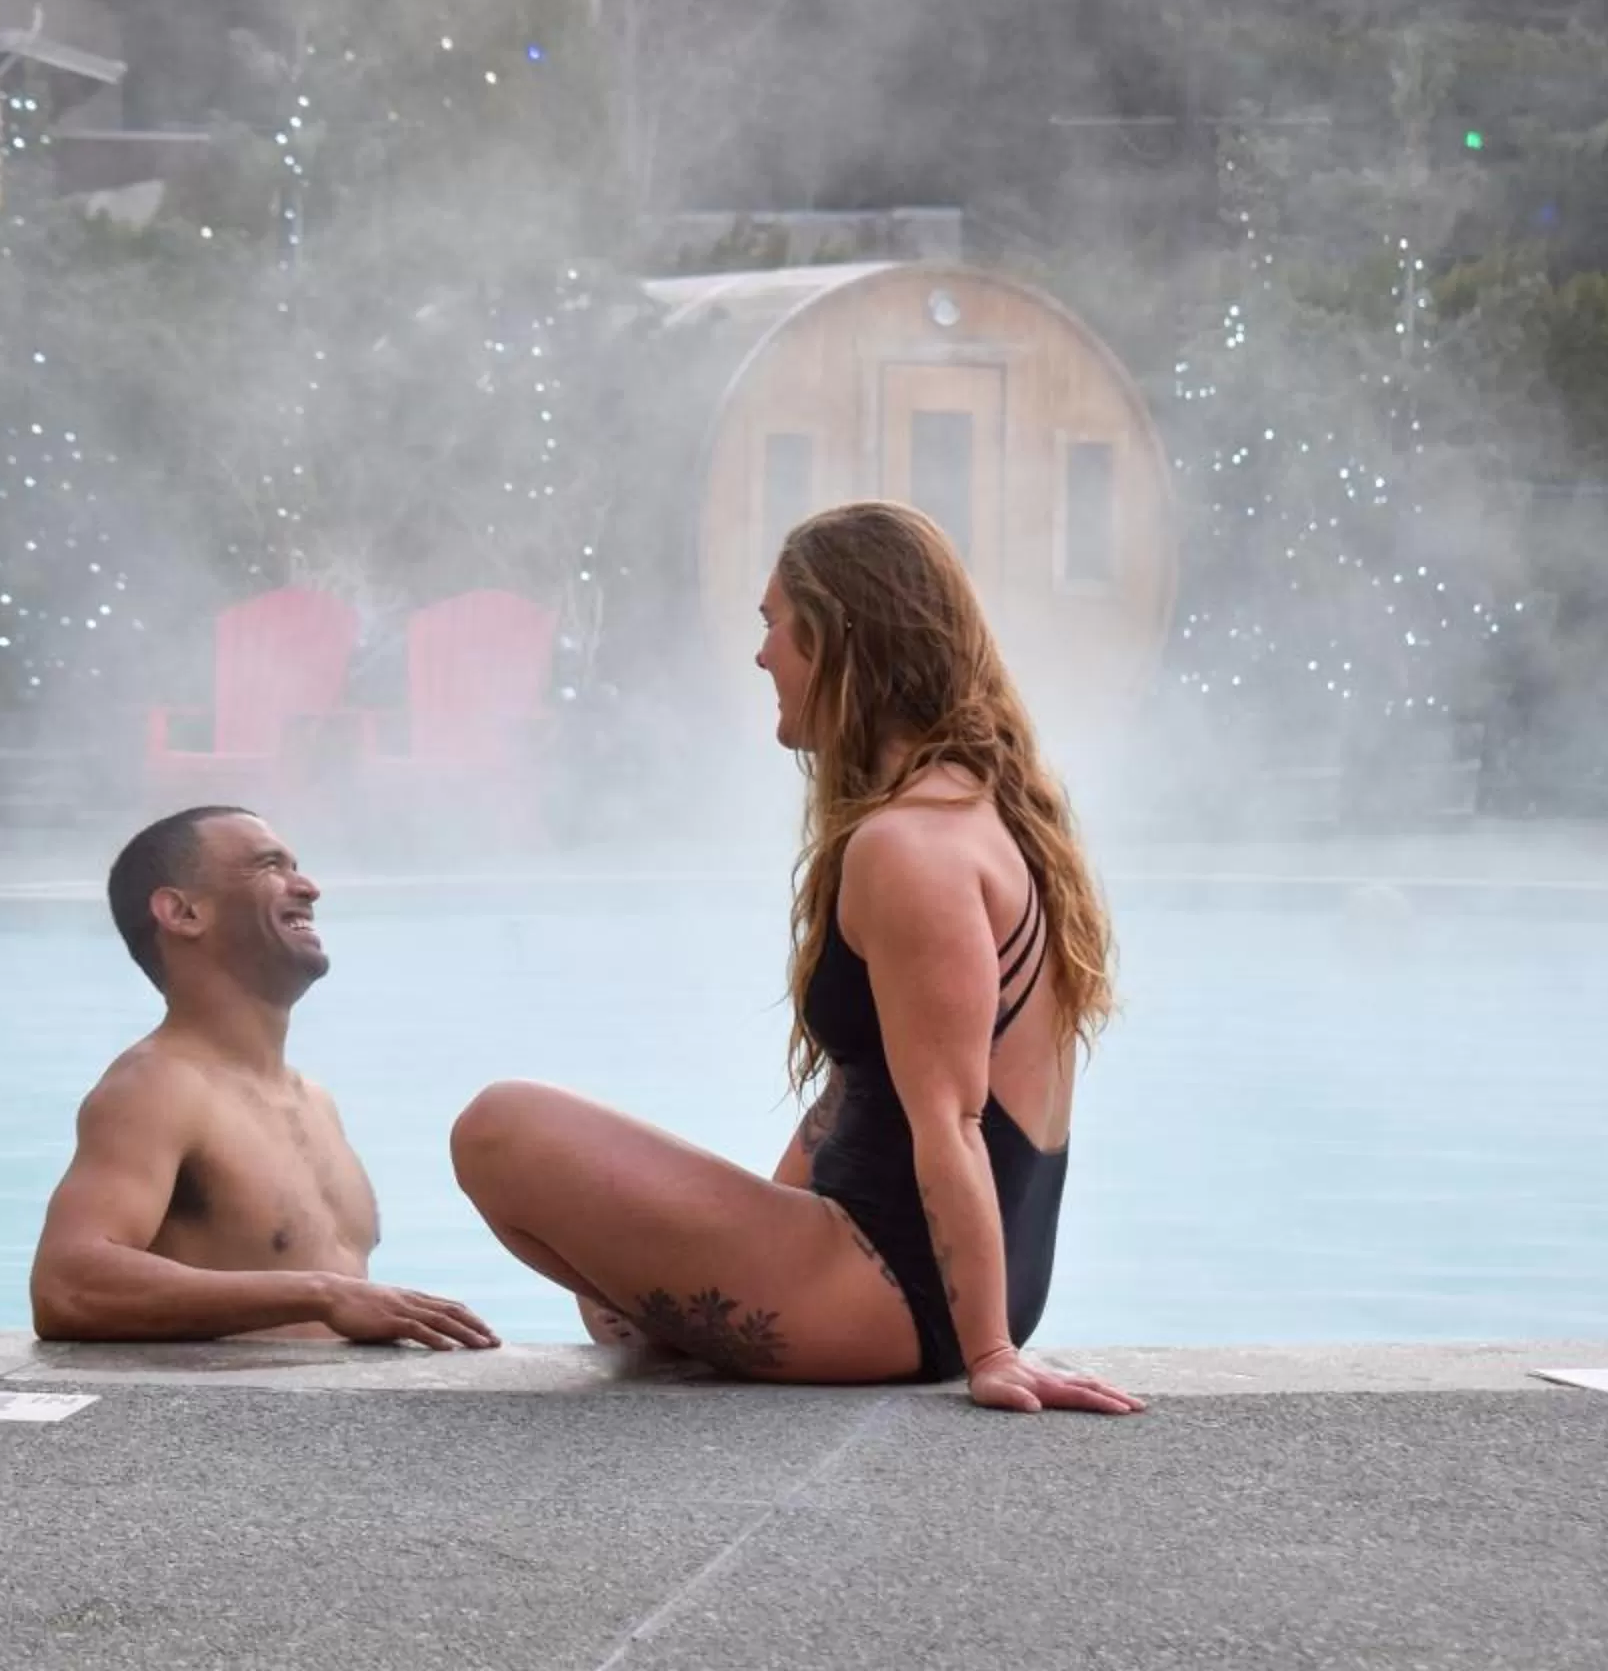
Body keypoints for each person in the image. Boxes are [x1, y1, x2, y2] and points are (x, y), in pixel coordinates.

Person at [450, 502, 1142, 1413]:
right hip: (917, 1283)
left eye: (774, 624)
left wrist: (991, 1354)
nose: (762, 654)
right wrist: (747, 1223)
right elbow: (864, 1090)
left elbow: (953, 1125)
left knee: (499, 1129)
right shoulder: (975, 807)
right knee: (601, 1281)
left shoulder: (910, 847)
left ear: (839, 638)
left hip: (898, 1294)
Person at [29, 805, 498, 1351]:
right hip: (229, 1428)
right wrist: (322, 1294)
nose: (309, 887)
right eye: (269, 866)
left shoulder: (315, 1100)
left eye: (296, 865)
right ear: (182, 912)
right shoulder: (157, 1087)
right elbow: (66, 1286)